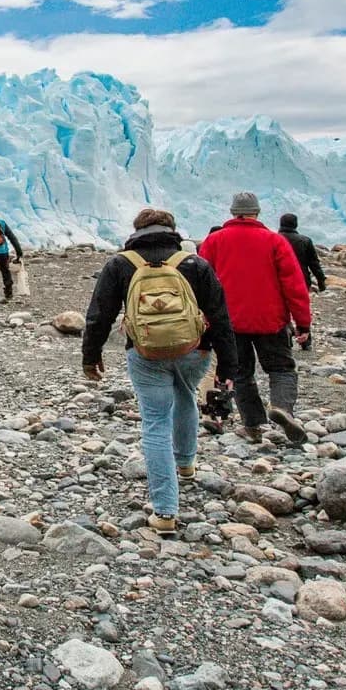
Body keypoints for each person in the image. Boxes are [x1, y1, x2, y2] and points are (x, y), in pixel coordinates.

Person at [80, 208, 234, 536]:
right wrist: (229, 366)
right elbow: (220, 316)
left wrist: (90, 357)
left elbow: (99, 316)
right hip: (195, 350)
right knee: (186, 395)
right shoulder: (194, 263)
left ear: (136, 231)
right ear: (172, 230)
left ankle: (165, 512)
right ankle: (186, 464)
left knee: (155, 422)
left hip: (146, 352)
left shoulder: (121, 264)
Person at [199, 192, 313, 445]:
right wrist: (302, 322)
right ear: (257, 212)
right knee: (281, 368)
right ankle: (282, 408)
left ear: (232, 212)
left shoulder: (214, 241)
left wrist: (205, 319)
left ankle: (252, 425)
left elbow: (201, 283)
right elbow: (294, 285)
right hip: (270, 319)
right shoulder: (274, 241)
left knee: (241, 374)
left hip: (229, 321)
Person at [277, 213, 327, 293]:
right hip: (301, 279)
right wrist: (321, 281)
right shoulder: (305, 240)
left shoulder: (273, 240)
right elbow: (314, 263)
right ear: (295, 224)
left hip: (277, 280)